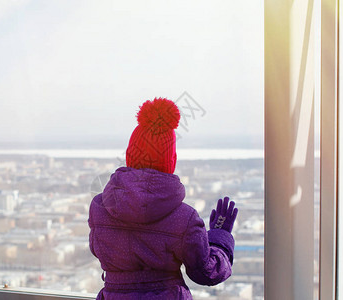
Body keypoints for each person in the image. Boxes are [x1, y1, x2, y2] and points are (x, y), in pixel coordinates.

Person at [88, 97, 238, 299]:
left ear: (131, 154)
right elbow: (205, 272)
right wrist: (220, 237)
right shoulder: (184, 219)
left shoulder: (99, 208)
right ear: (171, 160)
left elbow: (98, 250)